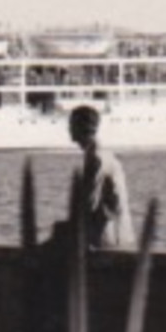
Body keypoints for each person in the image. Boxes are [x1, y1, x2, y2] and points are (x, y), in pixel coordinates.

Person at [67, 105, 136, 250]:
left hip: (107, 239)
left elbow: (90, 203)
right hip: (118, 233)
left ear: (81, 127)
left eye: (71, 124)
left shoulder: (96, 158)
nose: (68, 129)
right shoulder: (102, 154)